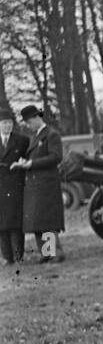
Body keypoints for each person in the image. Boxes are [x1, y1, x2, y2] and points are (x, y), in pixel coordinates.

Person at [18, 105, 65, 262]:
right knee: (37, 221)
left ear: (36, 118)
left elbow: (56, 157)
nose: (28, 126)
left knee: (47, 221)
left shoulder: (51, 135)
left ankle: (54, 253)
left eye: (28, 122)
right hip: (35, 185)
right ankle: (46, 254)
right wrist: (26, 162)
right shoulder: (35, 135)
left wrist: (31, 164)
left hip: (47, 185)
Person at [1, 107, 28, 265]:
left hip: (15, 186)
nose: (7, 126)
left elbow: (28, 159)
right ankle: (7, 257)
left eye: (9, 123)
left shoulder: (22, 140)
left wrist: (22, 163)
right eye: (4, 123)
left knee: (16, 224)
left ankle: (19, 256)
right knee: (1, 225)